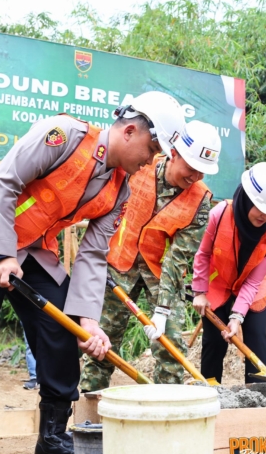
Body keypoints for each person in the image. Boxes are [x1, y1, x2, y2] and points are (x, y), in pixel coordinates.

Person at [0, 91, 184, 454]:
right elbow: (4, 182)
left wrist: (87, 321)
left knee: (63, 324)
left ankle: (53, 436)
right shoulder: (63, 135)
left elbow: (93, 253)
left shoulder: (120, 187)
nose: (151, 161)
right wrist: (4, 253)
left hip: (30, 247)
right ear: (130, 131)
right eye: (152, 149)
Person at [79, 120, 220, 390]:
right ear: (174, 153)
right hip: (118, 265)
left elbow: (177, 258)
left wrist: (163, 310)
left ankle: (168, 409)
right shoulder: (139, 165)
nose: (195, 178)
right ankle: (90, 406)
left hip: (161, 274)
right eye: (191, 168)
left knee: (171, 347)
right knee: (103, 342)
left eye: (202, 173)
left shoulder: (201, 200)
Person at [192, 163, 266, 383]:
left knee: (257, 347)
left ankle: (258, 400)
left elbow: (254, 281)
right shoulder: (220, 213)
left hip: (252, 292)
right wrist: (199, 291)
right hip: (217, 287)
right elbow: (203, 254)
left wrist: (237, 317)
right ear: (247, 198)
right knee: (214, 344)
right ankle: (211, 392)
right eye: (260, 208)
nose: (265, 216)